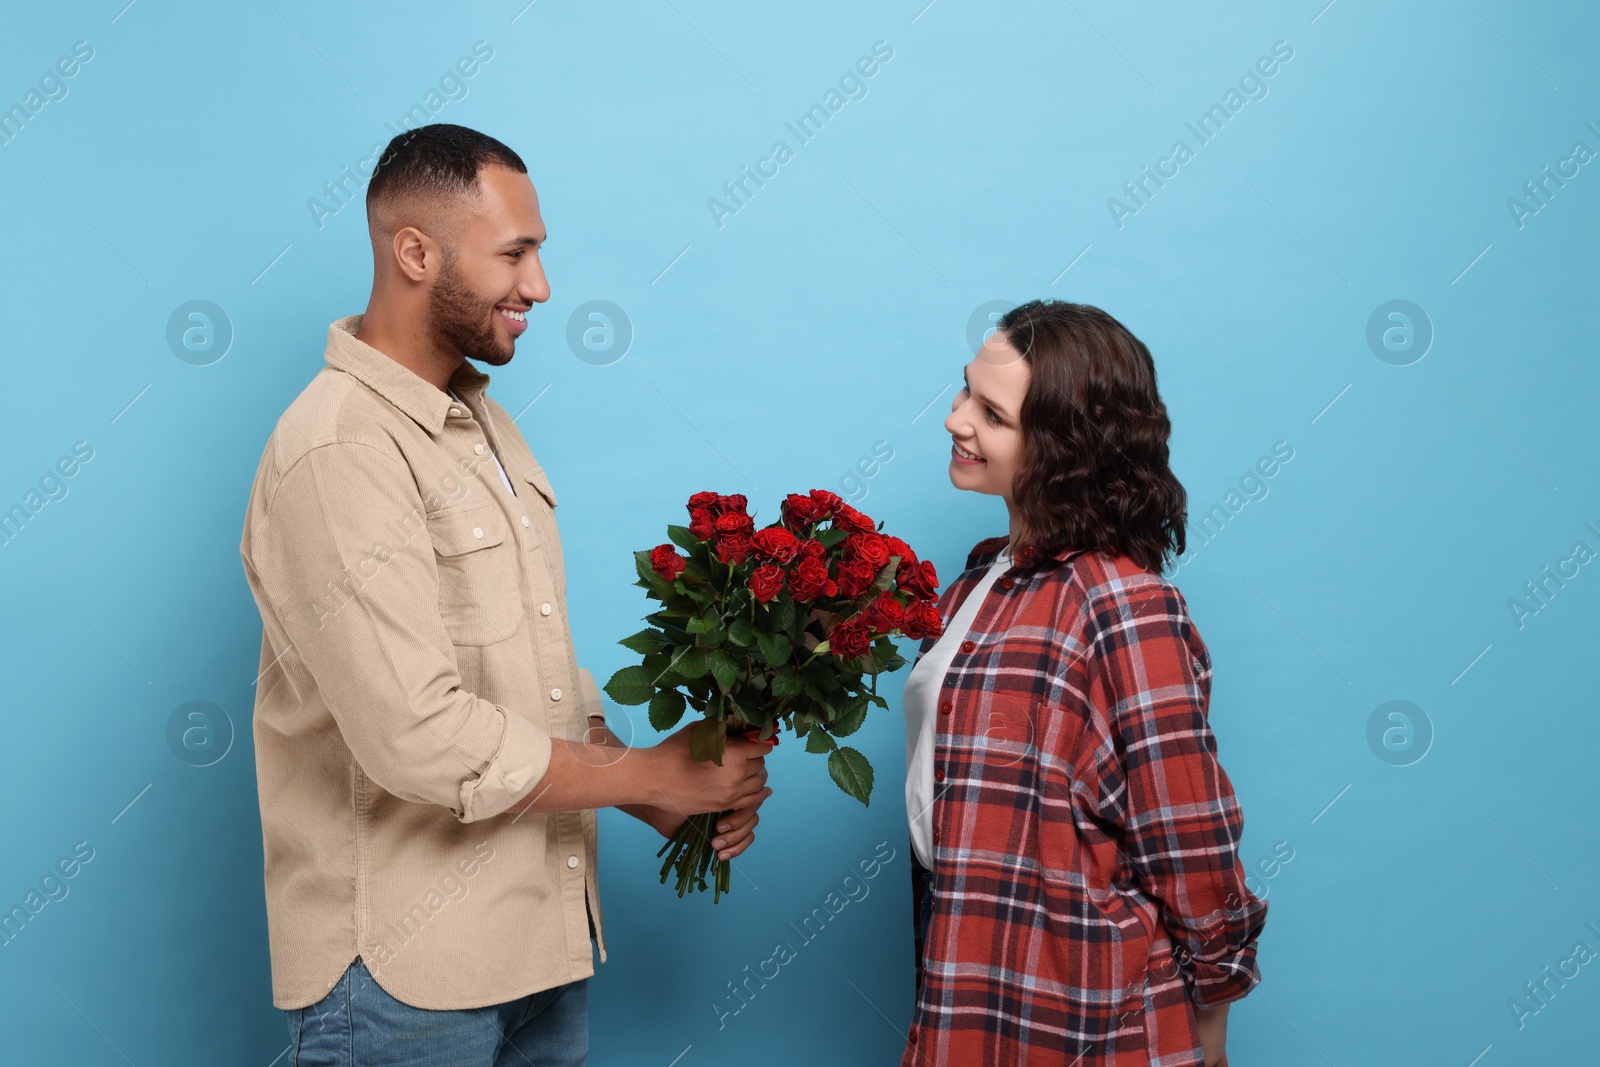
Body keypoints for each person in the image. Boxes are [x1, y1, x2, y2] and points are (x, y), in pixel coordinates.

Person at [238, 123, 773, 1066]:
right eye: (515, 253)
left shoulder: (479, 422)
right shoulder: (342, 450)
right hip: (404, 980)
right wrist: (646, 776)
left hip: (537, 954)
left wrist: (657, 786)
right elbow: (420, 732)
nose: (540, 287)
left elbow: (527, 676)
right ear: (416, 252)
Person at [901, 300, 1267, 1066]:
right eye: (964, 391)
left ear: (1060, 449)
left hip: (1080, 1004)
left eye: (991, 414)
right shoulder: (980, 576)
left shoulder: (1124, 606)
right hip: (968, 961)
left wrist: (1213, 1016)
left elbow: (1188, 830)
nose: (955, 419)